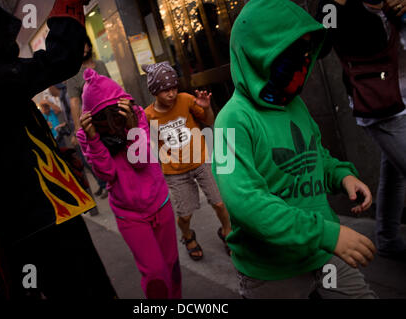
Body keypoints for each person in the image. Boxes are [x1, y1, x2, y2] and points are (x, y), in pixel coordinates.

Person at [212, 0, 378, 298]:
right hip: (273, 274)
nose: (302, 59)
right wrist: (329, 234)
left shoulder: (295, 104)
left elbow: (315, 156)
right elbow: (245, 203)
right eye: (289, 49)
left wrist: (341, 176)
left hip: (323, 255)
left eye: (306, 49)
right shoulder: (230, 121)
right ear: (258, 51)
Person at [0, 0, 117, 299]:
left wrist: (57, 160)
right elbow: (62, 57)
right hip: (45, 228)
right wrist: (67, 5)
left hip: (23, 230)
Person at [77, 68, 181, 299]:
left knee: (171, 266)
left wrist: (133, 128)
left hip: (159, 202)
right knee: (155, 275)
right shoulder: (87, 136)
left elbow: (141, 162)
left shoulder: (136, 117)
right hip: (129, 215)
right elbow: (106, 174)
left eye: (114, 113)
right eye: (103, 117)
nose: (111, 122)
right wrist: (95, 139)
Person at [317, 0, 406, 260]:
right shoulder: (337, 7)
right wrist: (333, 6)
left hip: (399, 90)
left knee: (394, 171)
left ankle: (388, 238)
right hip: (381, 102)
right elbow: (321, 45)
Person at [143, 62, 232, 260]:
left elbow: (208, 121)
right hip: (175, 172)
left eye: (174, 88)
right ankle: (187, 235)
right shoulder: (148, 115)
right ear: (155, 91)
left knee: (219, 203)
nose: (171, 94)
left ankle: (227, 232)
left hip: (201, 161)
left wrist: (207, 108)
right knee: (185, 215)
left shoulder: (185, 99)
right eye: (165, 90)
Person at [67, 35, 110, 198]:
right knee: (100, 154)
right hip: (92, 122)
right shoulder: (74, 73)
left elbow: (111, 87)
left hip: (110, 116)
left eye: (84, 44)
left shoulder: (100, 65)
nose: (82, 49)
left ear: (89, 46)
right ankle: (110, 185)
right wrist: (78, 129)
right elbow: (74, 102)